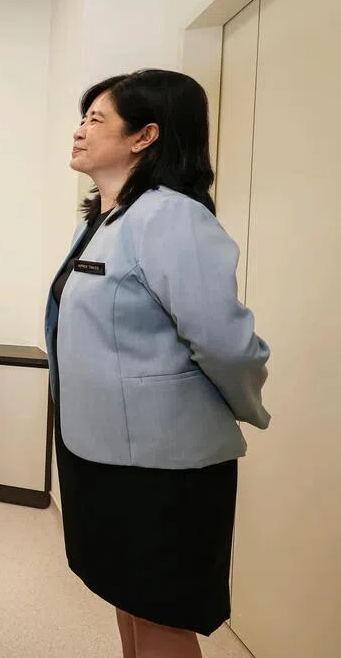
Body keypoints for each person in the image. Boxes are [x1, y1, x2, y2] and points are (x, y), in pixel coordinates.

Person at [45, 69, 271, 658]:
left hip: (161, 466)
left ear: (145, 136)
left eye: (96, 119)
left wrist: (244, 405)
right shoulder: (105, 221)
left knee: (161, 616)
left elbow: (225, 344)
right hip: (104, 451)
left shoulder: (172, 216)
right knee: (129, 599)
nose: (79, 130)